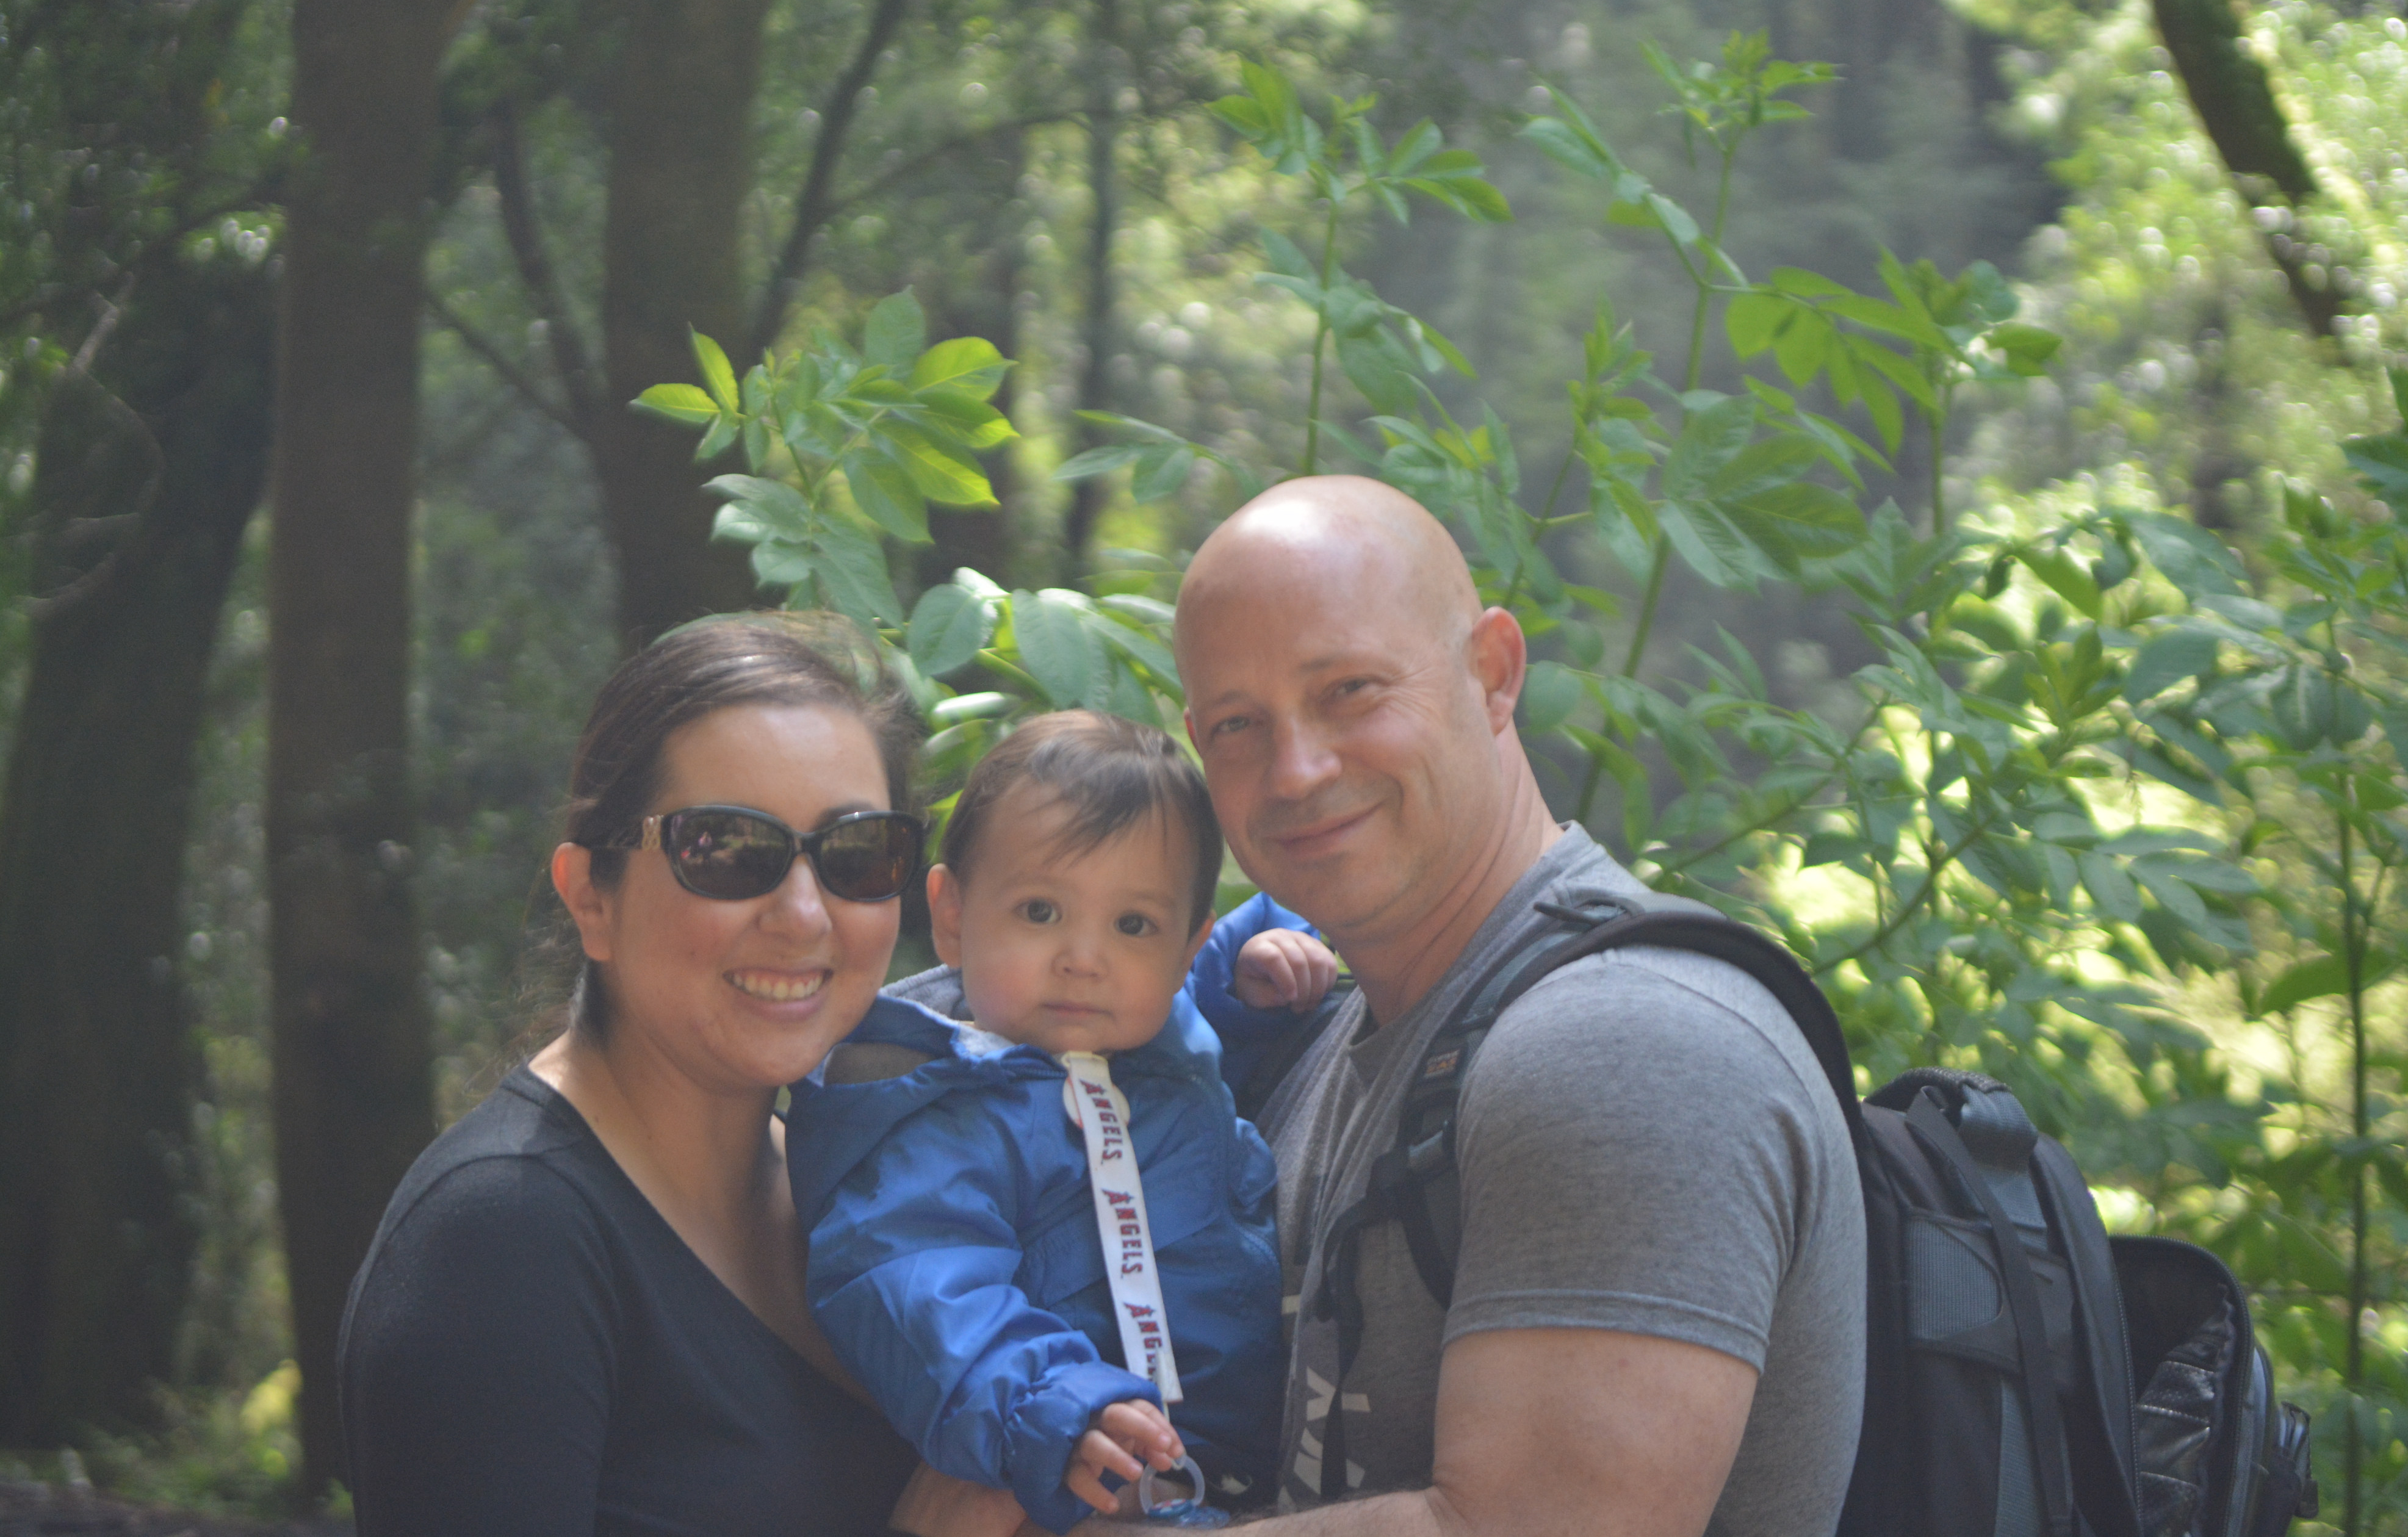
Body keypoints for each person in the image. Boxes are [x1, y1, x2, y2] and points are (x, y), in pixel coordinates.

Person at [1144, 475, 1870, 1537]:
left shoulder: (1625, 1047)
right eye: (1238, 725)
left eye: (1349, 690)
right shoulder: (1329, 1037)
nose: (1294, 771)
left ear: (1493, 672)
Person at [338, 616, 1001, 1536]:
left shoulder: (860, 1183)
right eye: (727, 850)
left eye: (857, 853)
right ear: (591, 897)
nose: (805, 915)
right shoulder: (502, 1241)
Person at [788, 711, 1338, 1535]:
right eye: (1041, 911)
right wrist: (1051, 1408)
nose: (1085, 958)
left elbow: (1191, 1022)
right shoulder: (941, 1121)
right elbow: (919, 1295)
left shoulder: (1152, 1039)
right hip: (1073, 1481)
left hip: (1239, 1469)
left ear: (1185, 948)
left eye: (1133, 925)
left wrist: (1246, 986)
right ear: (952, 915)